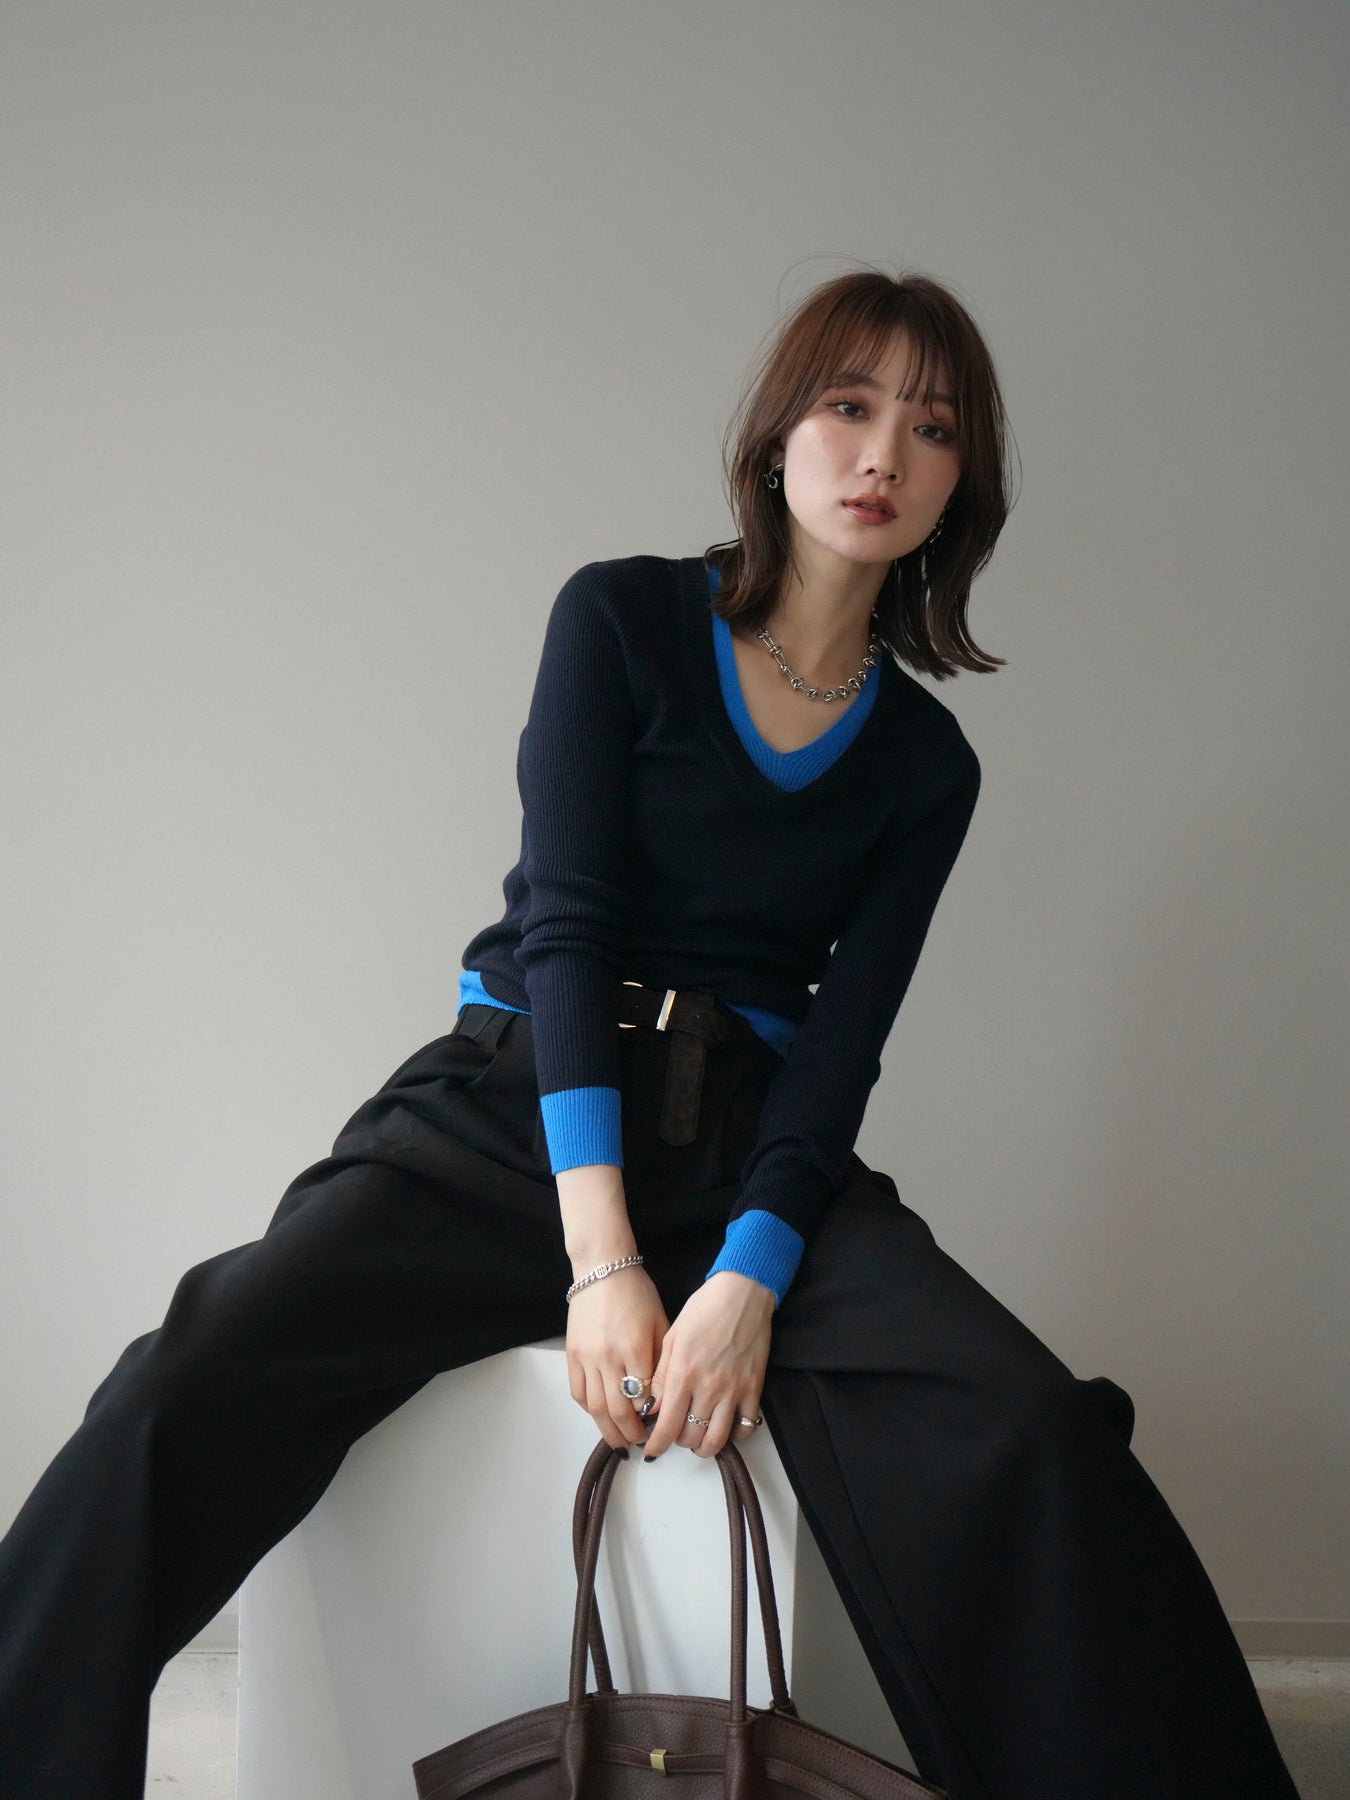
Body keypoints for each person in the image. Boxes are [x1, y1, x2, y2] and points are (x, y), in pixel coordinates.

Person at [0, 268, 1298, 1800]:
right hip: (517, 1112)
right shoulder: (619, 617)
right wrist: (604, 1263)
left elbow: (838, 1048)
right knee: (181, 1390)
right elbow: (569, 934)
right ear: (776, 437)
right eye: (849, 406)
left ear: (964, 483)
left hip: (750, 1145)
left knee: (1033, 1432)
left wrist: (746, 1278)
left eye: (932, 428)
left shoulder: (923, 763)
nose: (883, 454)